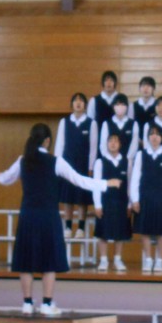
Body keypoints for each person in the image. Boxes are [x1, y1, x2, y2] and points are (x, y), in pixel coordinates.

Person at [0, 123, 121, 315]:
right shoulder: (56, 162)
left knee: (25, 260)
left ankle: (27, 304)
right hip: (48, 216)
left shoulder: (22, 160)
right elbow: (80, 180)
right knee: (49, 261)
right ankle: (47, 304)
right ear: (47, 141)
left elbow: (5, 179)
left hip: (28, 215)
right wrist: (106, 183)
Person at [131, 126, 162, 273]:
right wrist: (134, 199)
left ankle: (160, 260)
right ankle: (148, 259)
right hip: (145, 196)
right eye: (151, 134)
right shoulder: (141, 154)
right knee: (145, 230)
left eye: (157, 134)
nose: (154, 137)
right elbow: (135, 177)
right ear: (148, 137)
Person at [54, 92, 98, 239]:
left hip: (83, 165)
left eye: (81, 101)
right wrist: (57, 165)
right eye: (75, 101)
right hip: (67, 164)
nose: (78, 103)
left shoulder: (91, 123)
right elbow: (59, 144)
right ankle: (67, 226)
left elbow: (93, 148)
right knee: (68, 197)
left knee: (81, 198)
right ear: (72, 104)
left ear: (85, 105)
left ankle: (80, 227)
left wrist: (91, 167)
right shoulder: (64, 122)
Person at [93, 134, 132, 272]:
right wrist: (97, 205)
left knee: (120, 232)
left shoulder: (127, 162)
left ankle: (117, 259)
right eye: (110, 141)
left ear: (120, 144)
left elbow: (129, 184)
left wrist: (129, 204)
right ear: (107, 144)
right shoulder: (100, 162)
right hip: (105, 201)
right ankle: (103, 260)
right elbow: (96, 184)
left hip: (122, 201)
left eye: (116, 141)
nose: (113, 144)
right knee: (103, 232)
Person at [99, 94, 139, 161]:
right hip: (109, 161)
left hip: (128, 161)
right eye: (117, 104)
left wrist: (128, 159)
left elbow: (134, 144)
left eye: (123, 104)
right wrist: (109, 159)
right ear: (113, 106)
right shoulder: (106, 123)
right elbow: (103, 144)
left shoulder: (133, 124)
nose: (120, 107)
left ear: (127, 107)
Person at [128, 76, 156, 142]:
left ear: (153, 89)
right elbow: (130, 125)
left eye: (148, 86)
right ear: (139, 89)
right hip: (136, 141)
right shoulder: (133, 105)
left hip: (154, 142)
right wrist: (138, 140)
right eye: (143, 86)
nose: (145, 89)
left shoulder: (158, 105)